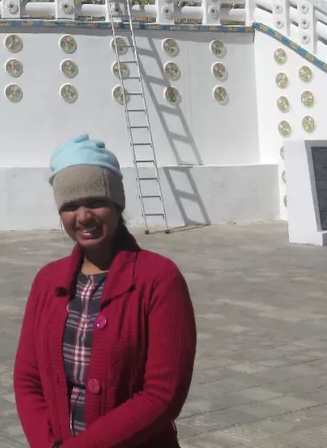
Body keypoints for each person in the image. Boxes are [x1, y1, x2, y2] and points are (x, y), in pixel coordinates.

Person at [14, 135, 196, 448]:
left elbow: (162, 395)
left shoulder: (159, 279)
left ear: (116, 205)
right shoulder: (48, 281)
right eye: (70, 206)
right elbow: (28, 379)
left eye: (96, 202)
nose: (83, 217)